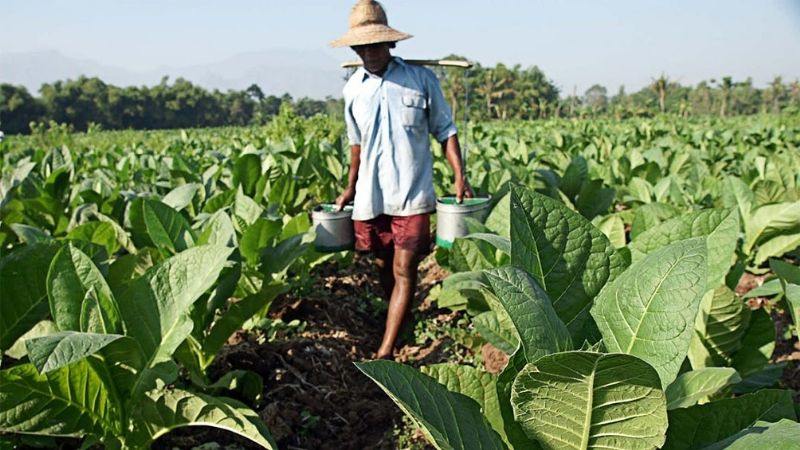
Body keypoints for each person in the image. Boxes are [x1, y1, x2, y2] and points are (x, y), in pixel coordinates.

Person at [331, 0, 473, 359]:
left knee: (403, 267)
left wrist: (460, 176)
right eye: (362, 47)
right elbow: (356, 145)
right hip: (370, 197)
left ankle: (386, 350)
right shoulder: (353, 90)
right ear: (354, 49)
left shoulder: (420, 80)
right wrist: (349, 187)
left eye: (375, 45)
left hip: (412, 196)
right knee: (383, 267)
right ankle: (400, 315)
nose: (369, 53)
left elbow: (446, 130)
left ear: (390, 44)